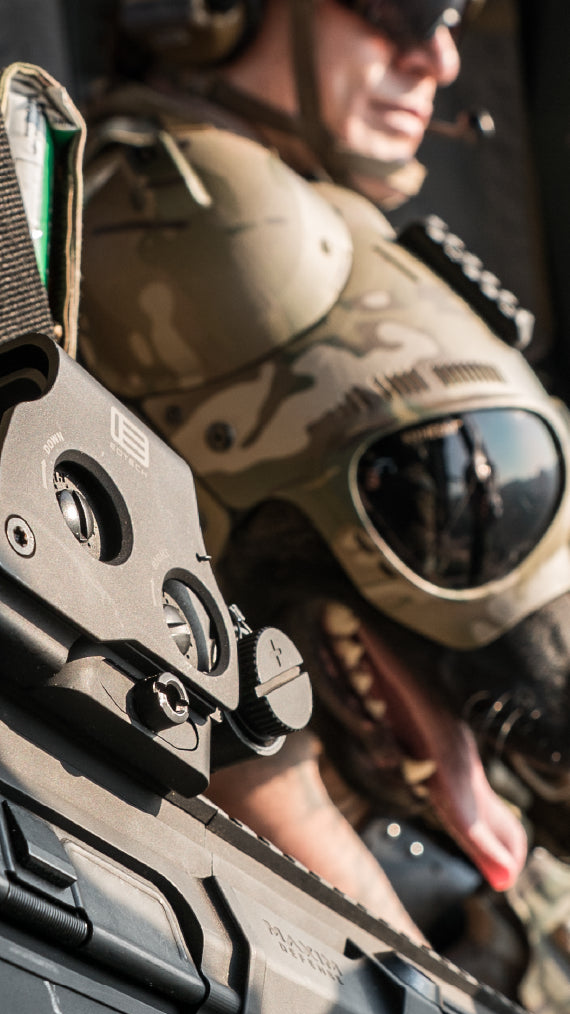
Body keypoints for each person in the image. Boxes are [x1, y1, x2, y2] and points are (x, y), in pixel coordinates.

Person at [77, 0, 554, 948]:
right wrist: (412, 984)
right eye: (406, 11)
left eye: (452, 19)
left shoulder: (311, 210)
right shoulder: (194, 204)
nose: (439, 57)